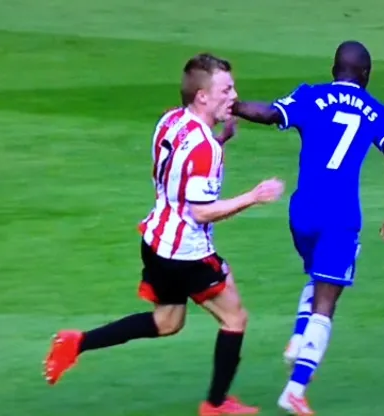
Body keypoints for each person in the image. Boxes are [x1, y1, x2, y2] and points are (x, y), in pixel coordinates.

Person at [42, 53, 285, 416]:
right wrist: (253, 196)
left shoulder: (171, 120)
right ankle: (216, 404)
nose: (235, 97)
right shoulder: (205, 149)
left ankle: (75, 343)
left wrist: (221, 139)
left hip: (156, 241)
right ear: (202, 96)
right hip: (187, 253)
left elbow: (177, 169)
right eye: (226, 89)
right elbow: (201, 211)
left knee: (167, 321)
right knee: (235, 318)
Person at [231, 40, 384, 415]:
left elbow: (270, 114)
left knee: (318, 274)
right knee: (327, 301)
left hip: (302, 212)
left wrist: (233, 106)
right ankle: (295, 389)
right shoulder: (375, 110)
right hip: (340, 216)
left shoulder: (312, 95)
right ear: (366, 74)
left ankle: (298, 338)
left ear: (333, 69)